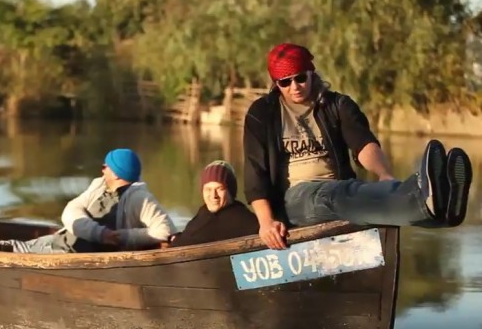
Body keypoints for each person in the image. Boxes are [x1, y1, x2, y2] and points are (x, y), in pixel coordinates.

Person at [243, 43, 473, 250]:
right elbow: (256, 173)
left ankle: (441, 213)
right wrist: (266, 222)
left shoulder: (337, 105)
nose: (294, 86)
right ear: (276, 84)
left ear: (312, 73)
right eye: (285, 82)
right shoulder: (263, 114)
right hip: (294, 200)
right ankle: (422, 193)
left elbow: (364, 145)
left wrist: (385, 175)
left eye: (300, 78)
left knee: (355, 192)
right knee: (331, 195)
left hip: (340, 189)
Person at [0, 148, 178, 254]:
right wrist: (101, 233)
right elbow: (71, 211)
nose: (102, 170)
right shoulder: (99, 184)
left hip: (73, 253)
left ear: (118, 173)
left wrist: (122, 237)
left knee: (10, 249)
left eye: (106, 166)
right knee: (9, 246)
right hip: (63, 240)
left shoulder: (140, 198)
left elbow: (165, 230)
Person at [170, 160, 259, 247]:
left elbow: (187, 240)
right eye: (208, 189)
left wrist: (176, 240)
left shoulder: (240, 218)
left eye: (219, 188)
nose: (213, 195)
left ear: (230, 191)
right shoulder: (204, 213)